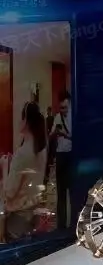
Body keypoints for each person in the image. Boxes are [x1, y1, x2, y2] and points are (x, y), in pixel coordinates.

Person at [2, 103, 48, 241]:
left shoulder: (22, 154)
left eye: (21, 118)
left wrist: (5, 167)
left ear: (26, 122)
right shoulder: (41, 148)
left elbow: (9, 192)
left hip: (18, 219)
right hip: (33, 213)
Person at [50, 90, 73, 232]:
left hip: (71, 155)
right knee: (61, 192)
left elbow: (76, 137)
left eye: (65, 107)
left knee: (72, 190)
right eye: (61, 108)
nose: (63, 110)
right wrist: (55, 133)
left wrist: (65, 134)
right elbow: (51, 135)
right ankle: (61, 226)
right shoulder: (57, 117)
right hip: (60, 155)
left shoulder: (74, 117)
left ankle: (74, 223)